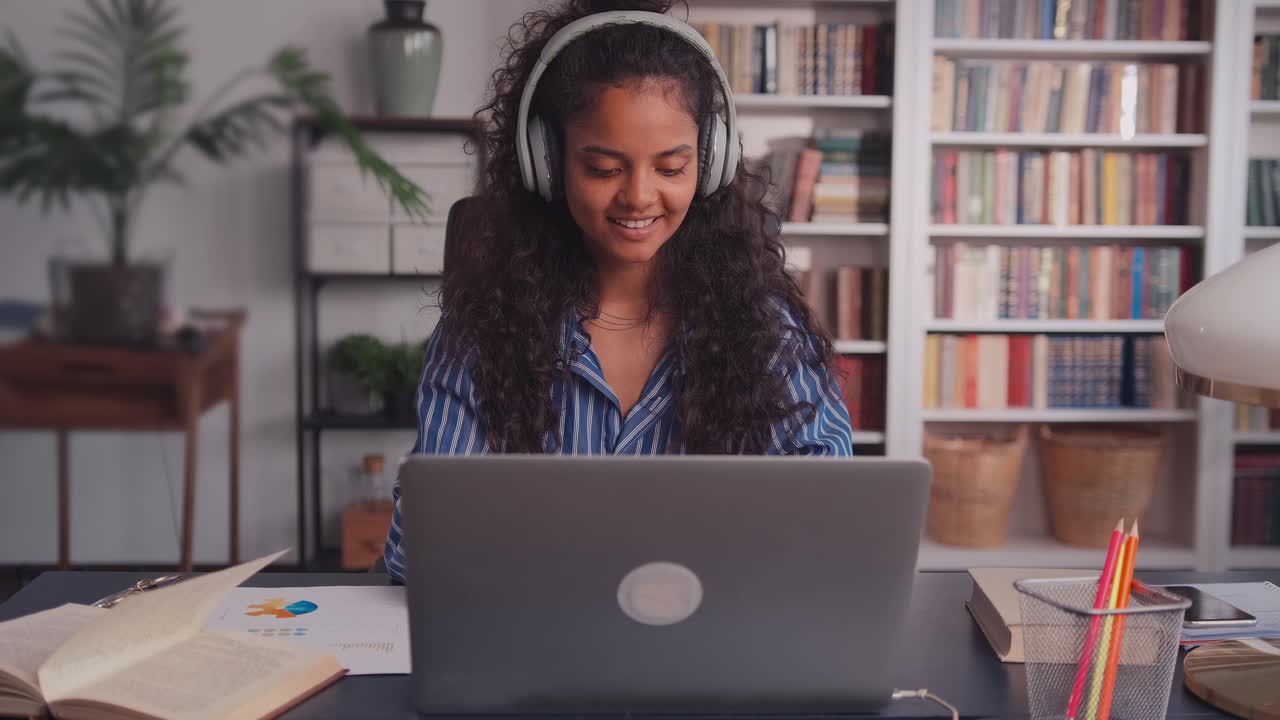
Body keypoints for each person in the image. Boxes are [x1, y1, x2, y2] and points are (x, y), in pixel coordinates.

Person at [383, 0, 856, 582]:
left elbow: (832, 519)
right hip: (538, 648)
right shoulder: (480, 332)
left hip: (714, 648)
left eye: (671, 168)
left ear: (708, 165)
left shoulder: (767, 330)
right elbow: (421, 546)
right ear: (547, 164)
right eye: (605, 168)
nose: (639, 196)